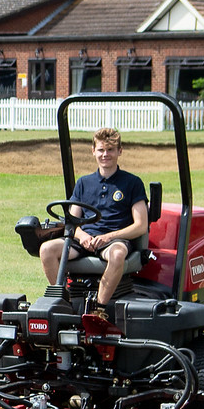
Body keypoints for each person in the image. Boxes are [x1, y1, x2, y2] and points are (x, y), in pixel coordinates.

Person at [39, 126, 148, 307]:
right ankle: (65, 303)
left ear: (120, 151)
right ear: (93, 151)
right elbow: (72, 223)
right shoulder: (83, 183)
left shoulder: (132, 183)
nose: (105, 154)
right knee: (46, 250)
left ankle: (99, 308)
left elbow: (141, 225)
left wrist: (108, 237)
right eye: (101, 150)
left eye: (110, 150)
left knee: (118, 254)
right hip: (85, 241)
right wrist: (83, 237)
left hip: (114, 239)